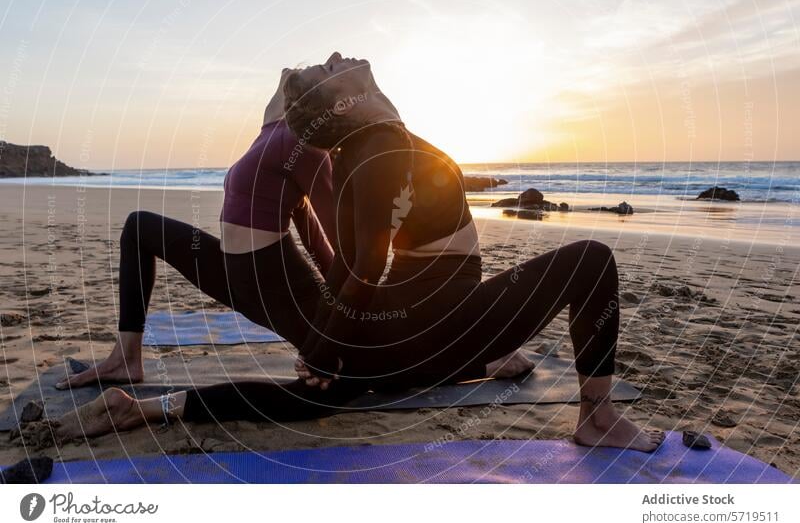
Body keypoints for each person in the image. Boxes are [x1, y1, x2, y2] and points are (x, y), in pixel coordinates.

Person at [45, 53, 662, 452]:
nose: (338, 57)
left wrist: (330, 344)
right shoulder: (369, 160)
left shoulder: (371, 147)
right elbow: (361, 265)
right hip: (434, 321)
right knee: (592, 260)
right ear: (337, 106)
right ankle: (595, 415)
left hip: (431, 319)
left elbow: (350, 266)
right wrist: (325, 347)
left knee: (334, 387)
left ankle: (148, 407)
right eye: (325, 70)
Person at [56, 69, 336, 390]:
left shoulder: (309, 149)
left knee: (354, 369)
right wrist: (296, 76)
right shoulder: (273, 130)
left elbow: (324, 243)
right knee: (139, 227)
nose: (322, 66)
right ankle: (126, 359)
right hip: (235, 274)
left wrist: (345, 316)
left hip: (279, 289)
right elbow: (286, 79)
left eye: (326, 71)